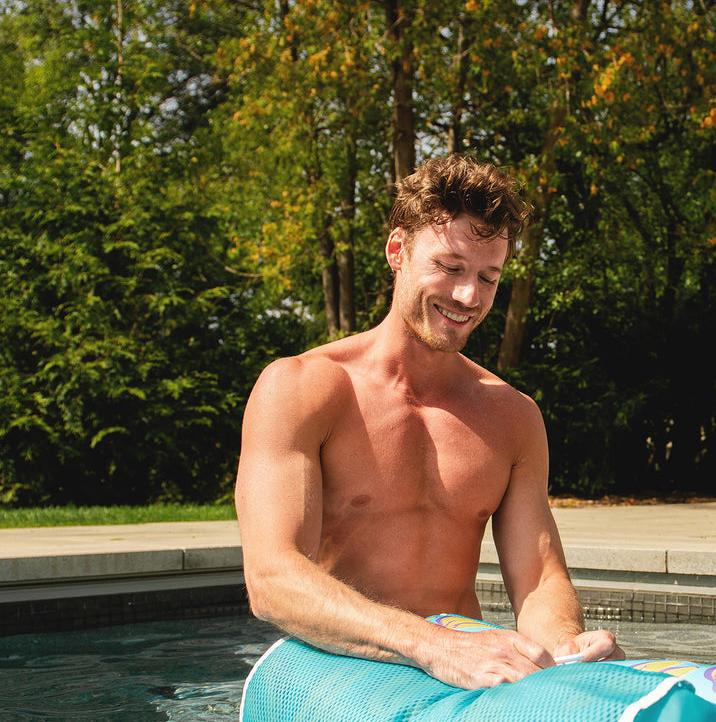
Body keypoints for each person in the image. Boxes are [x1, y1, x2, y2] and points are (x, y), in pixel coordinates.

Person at [235, 154, 621, 689]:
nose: (469, 297)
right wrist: (432, 647)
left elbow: (539, 582)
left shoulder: (513, 416)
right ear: (398, 251)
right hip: (347, 677)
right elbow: (272, 579)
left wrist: (565, 645)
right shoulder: (303, 388)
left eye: (489, 277)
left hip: (460, 682)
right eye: (450, 267)